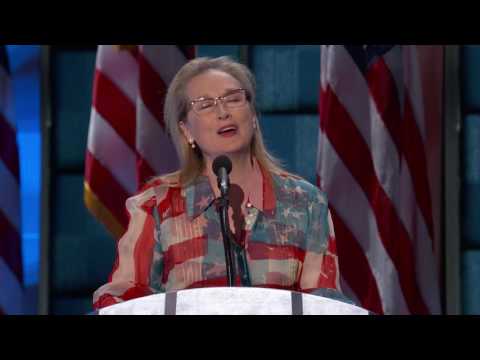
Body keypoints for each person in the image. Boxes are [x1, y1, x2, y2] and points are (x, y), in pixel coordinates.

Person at [93, 56, 344, 310]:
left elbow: (323, 304)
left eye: (234, 99)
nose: (223, 112)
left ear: (253, 115)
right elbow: (122, 300)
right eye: (205, 105)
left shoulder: (306, 203)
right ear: (186, 131)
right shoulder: (156, 205)